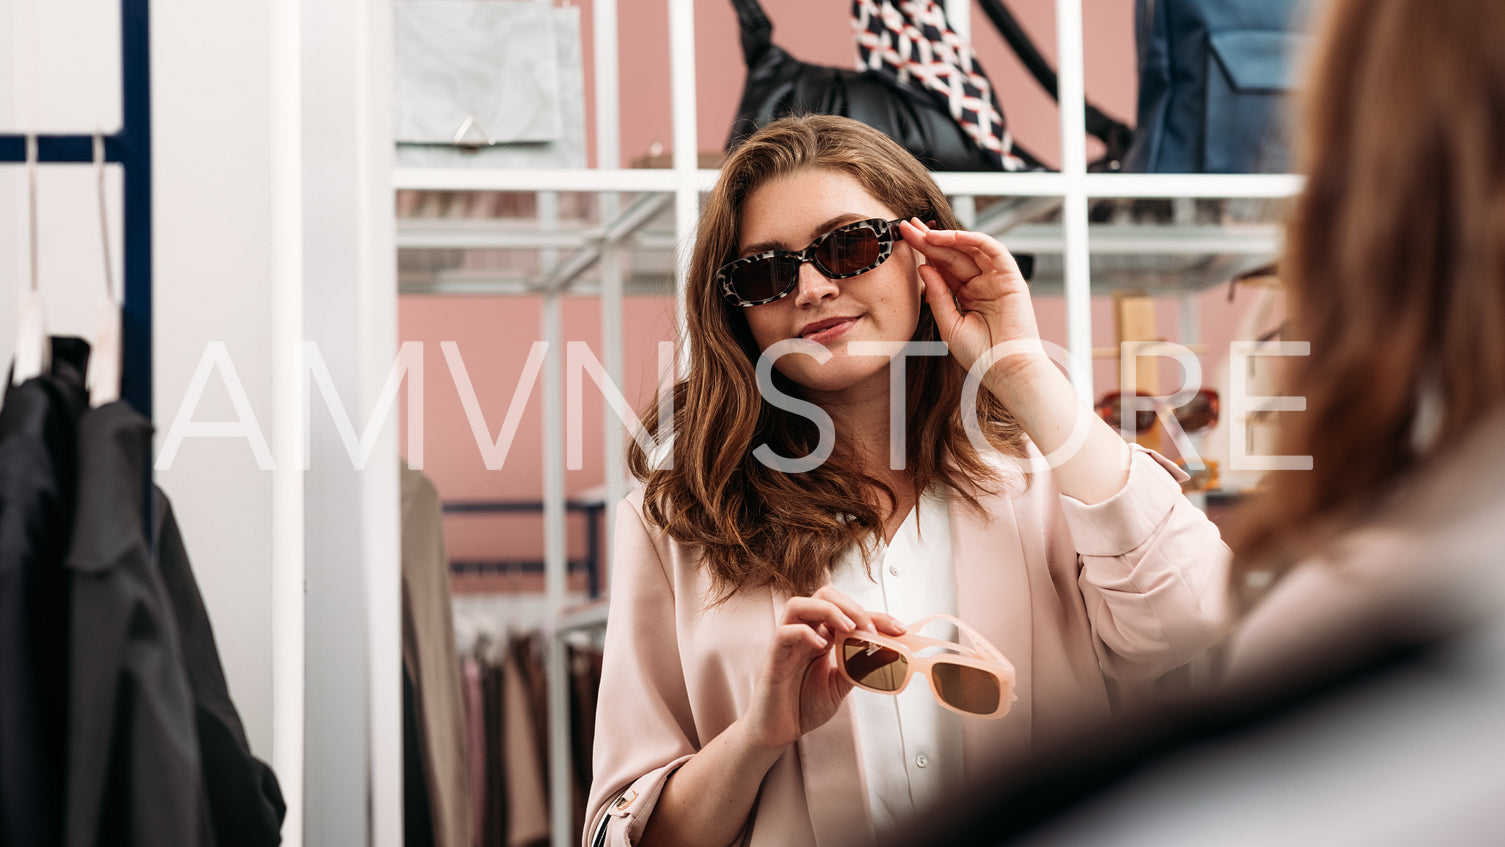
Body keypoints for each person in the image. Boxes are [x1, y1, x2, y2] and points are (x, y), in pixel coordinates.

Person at [583, 114, 1230, 847]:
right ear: (737, 311)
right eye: (765, 271)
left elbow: (1194, 613)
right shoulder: (676, 524)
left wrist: (1020, 372)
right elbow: (625, 832)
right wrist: (757, 737)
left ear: (922, 251)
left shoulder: (1055, 472)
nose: (813, 287)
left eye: (849, 246)